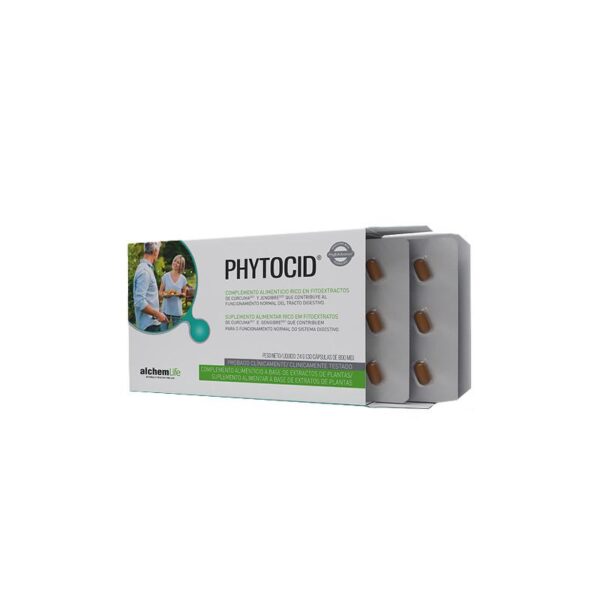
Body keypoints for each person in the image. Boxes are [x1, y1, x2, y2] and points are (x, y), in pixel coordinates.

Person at [133, 242, 168, 332]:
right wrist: (158, 315)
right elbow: (140, 301)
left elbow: (148, 297)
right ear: (155, 251)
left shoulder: (146, 269)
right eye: (158, 251)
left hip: (151, 323)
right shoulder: (145, 271)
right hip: (149, 326)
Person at [159, 254, 189, 330]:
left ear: (181, 266)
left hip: (177, 310)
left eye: (178, 262)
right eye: (175, 261)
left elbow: (184, 293)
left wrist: (181, 295)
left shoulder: (183, 279)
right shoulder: (165, 276)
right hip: (165, 309)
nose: (175, 263)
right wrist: (165, 295)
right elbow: (160, 292)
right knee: (163, 331)